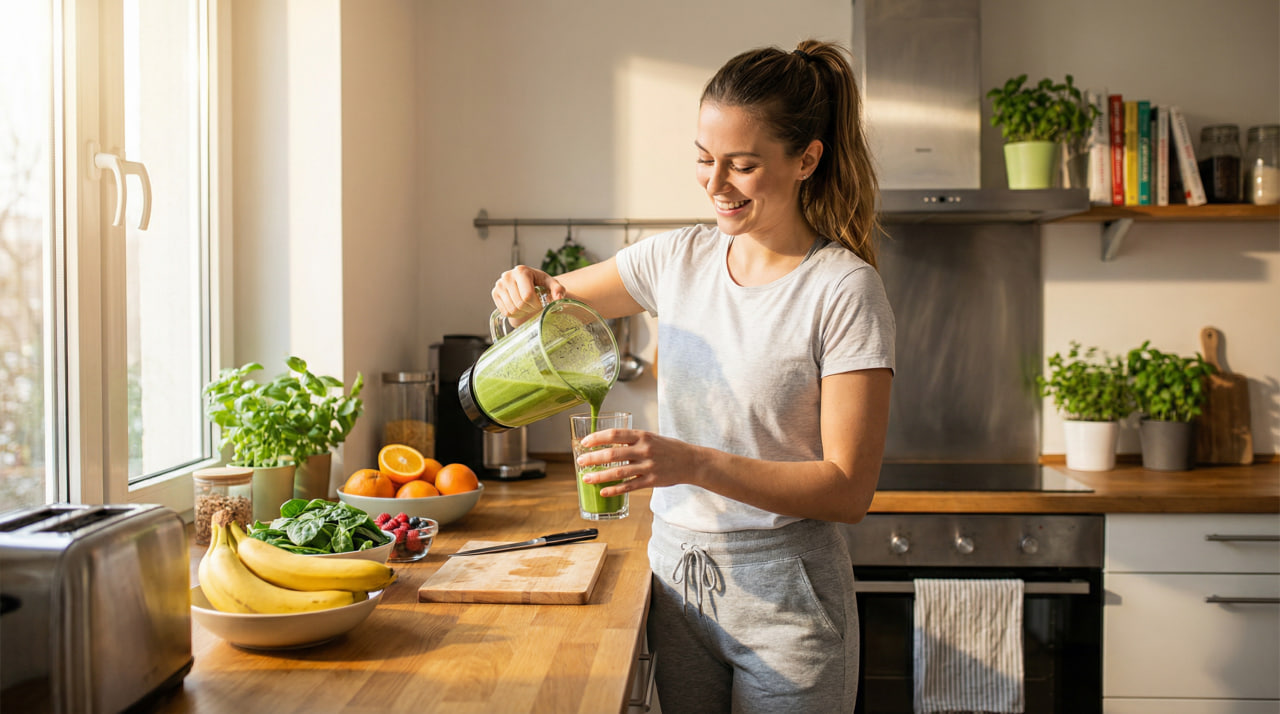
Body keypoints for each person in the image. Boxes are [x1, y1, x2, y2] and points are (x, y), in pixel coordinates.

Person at [490, 39, 894, 714]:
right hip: (678, 581)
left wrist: (689, 462)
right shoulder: (677, 258)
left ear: (806, 159)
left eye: (742, 166)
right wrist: (527, 292)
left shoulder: (844, 290)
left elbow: (848, 489)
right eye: (705, 161)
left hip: (787, 599)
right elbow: (555, 301)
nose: (715, 185)